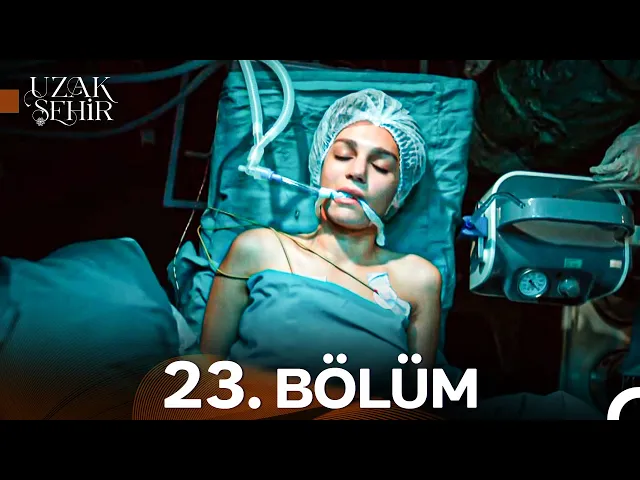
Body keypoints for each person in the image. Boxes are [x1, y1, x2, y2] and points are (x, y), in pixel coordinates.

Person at [200, 89, 442, 396]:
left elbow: (419, 398)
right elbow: (207, 370)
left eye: (381, 166)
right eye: (343, 156)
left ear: (398, 195)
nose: (357, 172)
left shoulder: (418, 279)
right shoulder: (259, 249)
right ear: (319, 168)